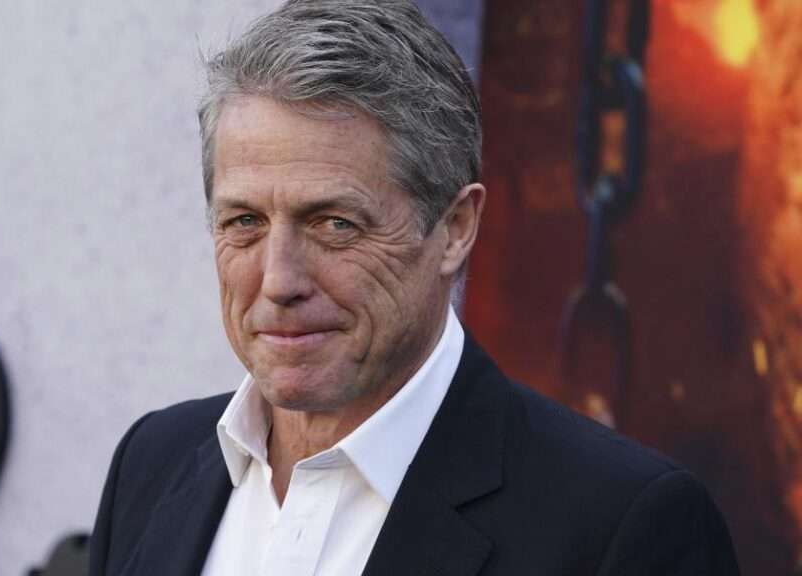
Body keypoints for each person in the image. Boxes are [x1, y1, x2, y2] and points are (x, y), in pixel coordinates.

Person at [89, 1, 740, 574]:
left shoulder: (625, 527)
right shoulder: (152, 463)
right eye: (244, 222)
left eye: (335, 224)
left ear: (455, 229)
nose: (279, 280)